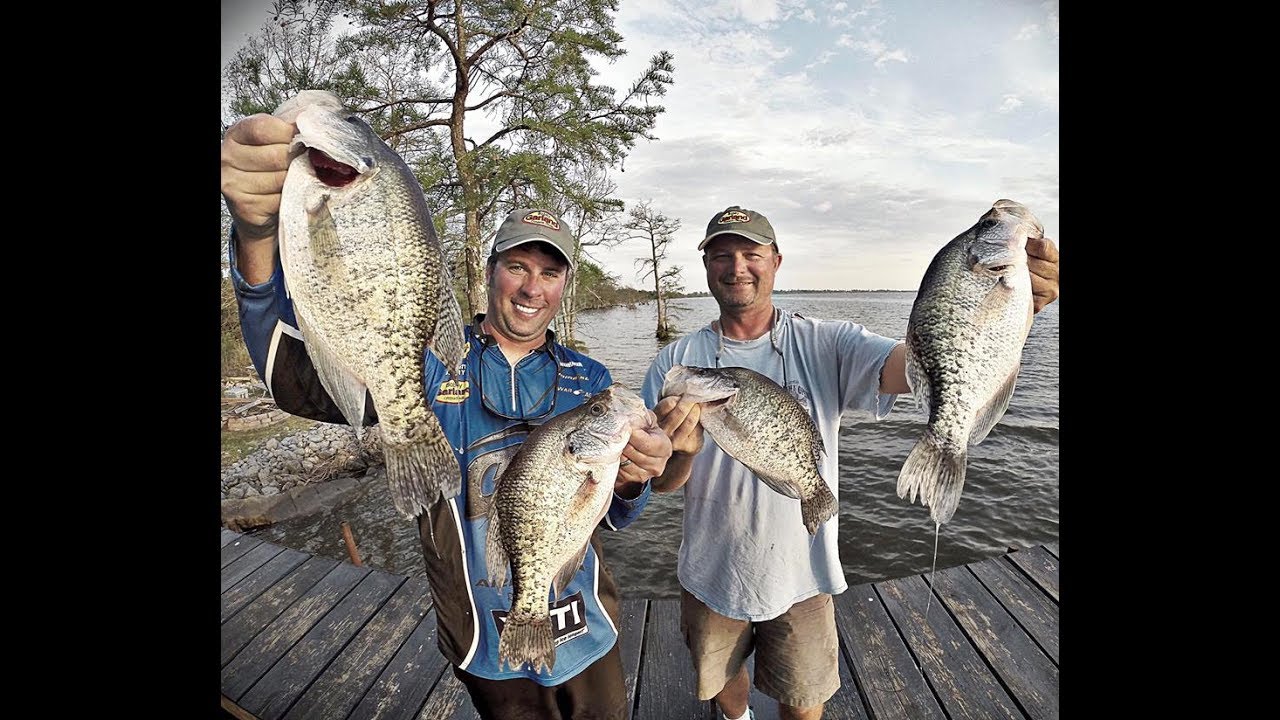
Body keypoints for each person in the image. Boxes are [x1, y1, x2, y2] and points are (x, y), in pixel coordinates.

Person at [220, 111, 673, 720]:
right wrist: (254, 237)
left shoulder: (590, 381)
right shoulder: (427, 360)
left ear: (565, 284)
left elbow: (613, 514)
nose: (531, 287)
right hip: (482, 639)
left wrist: (638, 475)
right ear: (490, 273)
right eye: (517, 265)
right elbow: (292, 382)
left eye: (550, 272)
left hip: (587, 627)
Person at [641, 205, 1060, 720]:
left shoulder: (827, 341)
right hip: (709, 570)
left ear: (775, 261)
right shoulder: (676, 362)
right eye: (722, 255)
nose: (737, 267)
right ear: (706, 265)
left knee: (804, 697)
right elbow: (659, 482)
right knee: (723, 684)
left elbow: (907, 369)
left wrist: (994, 315)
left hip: (805, 571)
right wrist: (678, 456)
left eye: (751, 253)